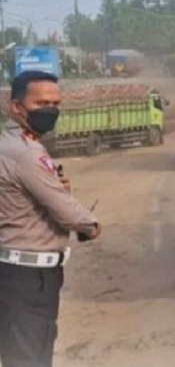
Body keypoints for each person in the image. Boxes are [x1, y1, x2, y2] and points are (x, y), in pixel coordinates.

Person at [0, 70, 101, 367]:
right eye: (42, 103)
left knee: (13, 351)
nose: (51, 110)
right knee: (30, 356)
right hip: (29, 278)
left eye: (56, 103)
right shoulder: (27, 153)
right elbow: (63, 207)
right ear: (16, 106)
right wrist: (91, 226)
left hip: (8, 269)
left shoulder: (6, 145)